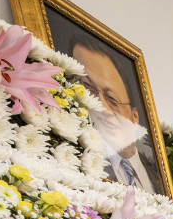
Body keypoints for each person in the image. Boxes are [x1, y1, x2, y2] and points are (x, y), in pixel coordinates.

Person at [62, 32, 165, 195]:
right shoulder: (75, 163)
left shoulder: (160, 179)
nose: (102, 108)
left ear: (135, 118)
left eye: (111, 99)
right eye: (88, 90)